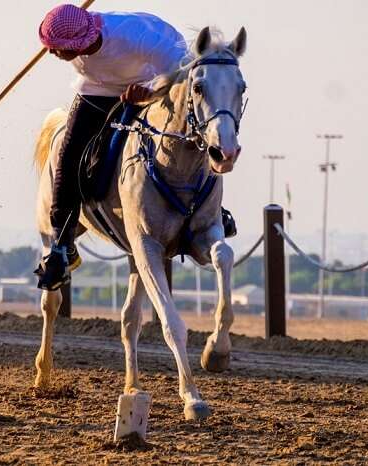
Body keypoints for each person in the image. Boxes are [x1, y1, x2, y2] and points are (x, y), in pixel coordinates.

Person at [36, 4, 236, 291]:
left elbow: (183, 71)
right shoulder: (76, 45)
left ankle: (212, 211)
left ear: (79, 41)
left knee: (192, 131)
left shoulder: (135, 36)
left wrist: (151, 88)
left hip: (154, 79)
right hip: (97, 88)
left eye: (57, 48)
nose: (52, 52)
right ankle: (61, 244)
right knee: (68, 154)